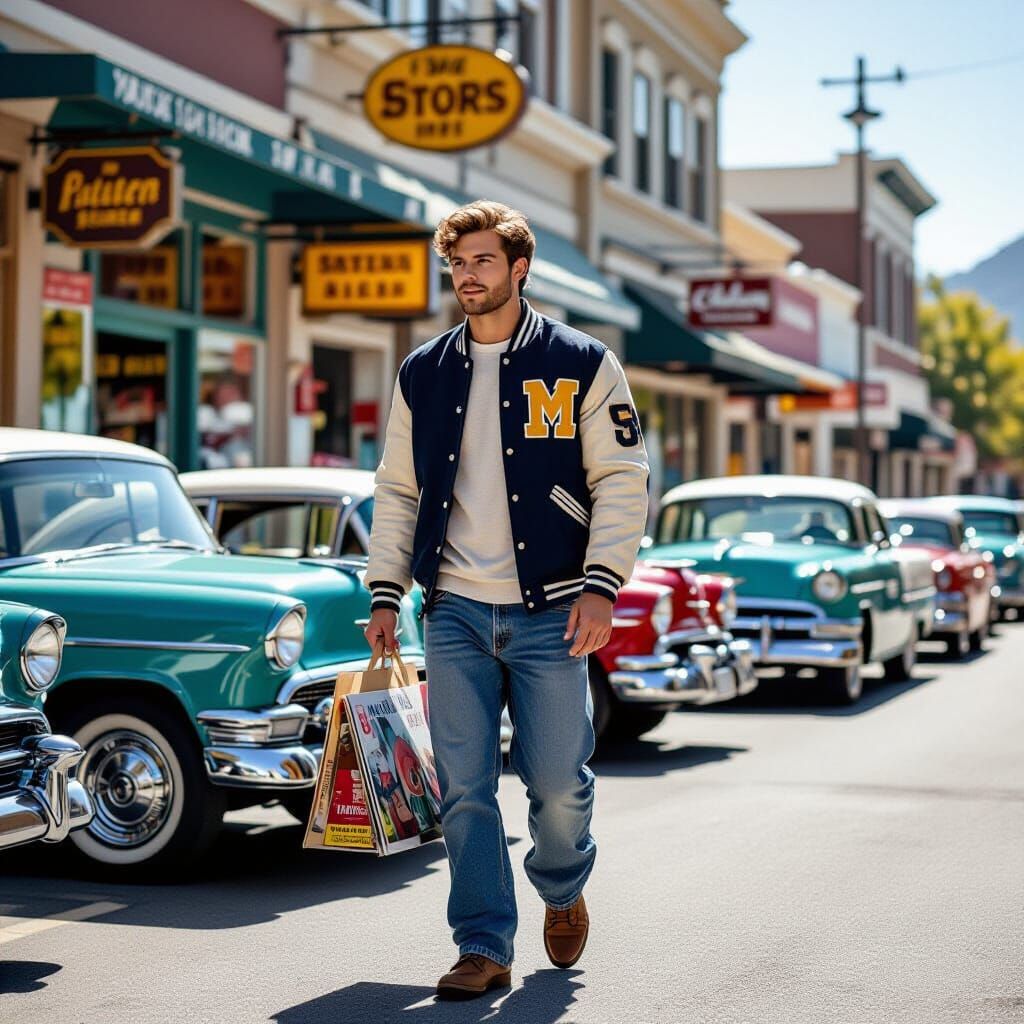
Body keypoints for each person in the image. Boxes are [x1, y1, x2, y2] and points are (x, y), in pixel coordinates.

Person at [364, 200, 649, 999]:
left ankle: (561, 886)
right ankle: (483, 944)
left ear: (520, 268)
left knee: (558, 779)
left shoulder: (583, 362)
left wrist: (603, 584)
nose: (467, 277)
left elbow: (622, 480)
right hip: (452, 607)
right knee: (464, 785)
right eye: (457, 264)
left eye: (482, 262)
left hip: (555, 610)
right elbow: (397, 490)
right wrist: (387, 590)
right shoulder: (423, 370)